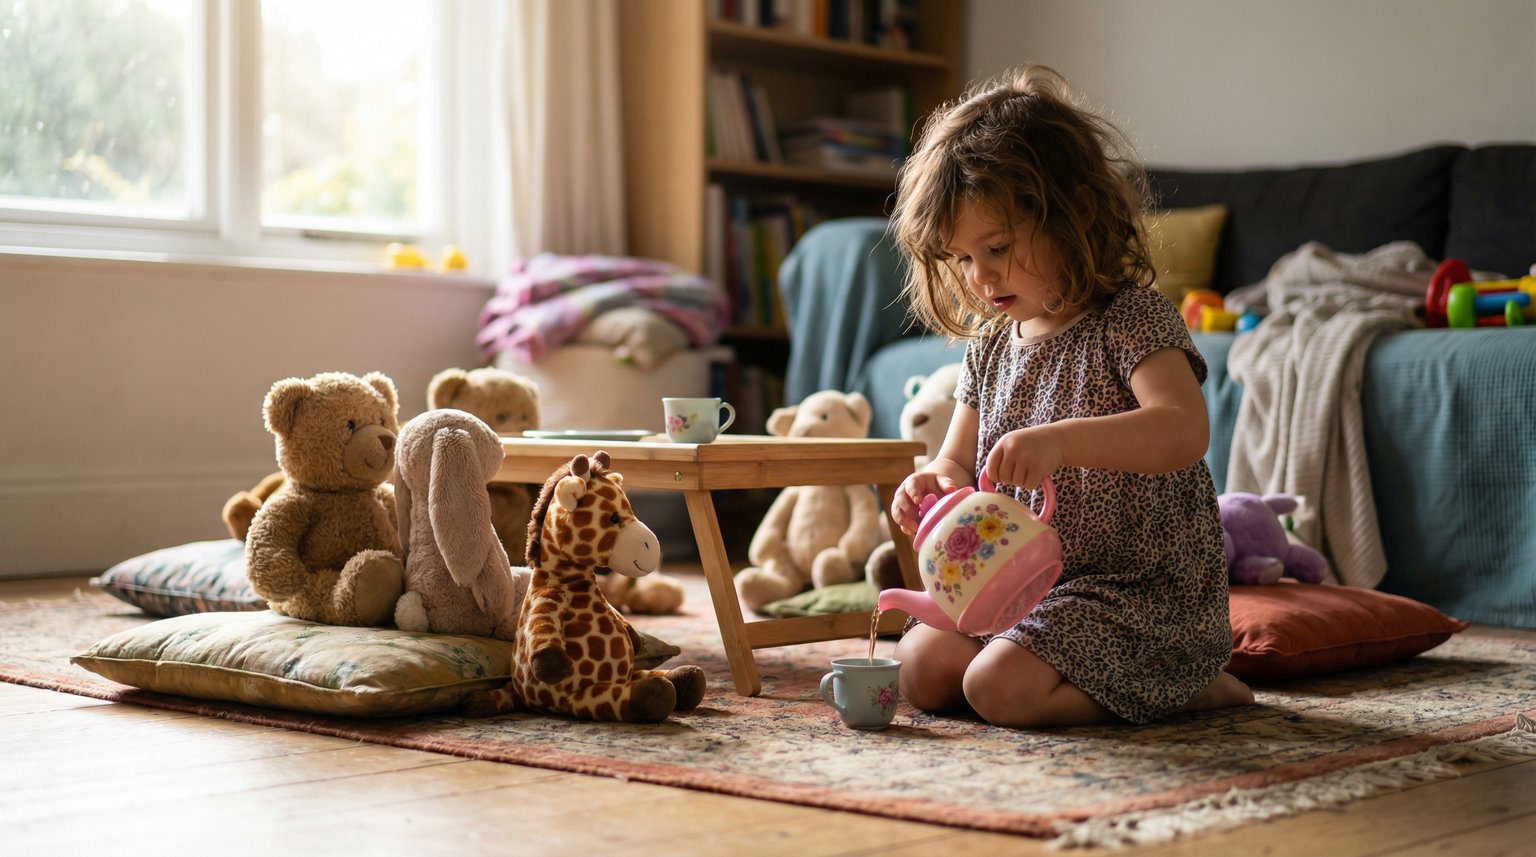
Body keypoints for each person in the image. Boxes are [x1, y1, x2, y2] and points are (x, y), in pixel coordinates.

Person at [887, 65, 1252, 727]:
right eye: (961, 258)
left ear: (1076, 210)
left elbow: (1182, 428)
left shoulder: (1131, 317)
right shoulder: (993, 344)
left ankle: (1185, 684)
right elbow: (957, 461)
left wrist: (1061, 441)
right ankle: (1056, 666)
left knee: (999, 689)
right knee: (921, 668)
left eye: (996, 247)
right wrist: (931, 485)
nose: (979, 276)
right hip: (1024, 584)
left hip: (1133, 594)